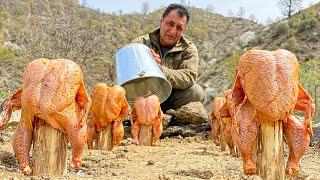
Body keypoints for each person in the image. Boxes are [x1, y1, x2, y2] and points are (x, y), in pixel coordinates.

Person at [132, 3, 204, 112]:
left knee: (196, 92)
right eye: (170, 24)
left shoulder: (189, 49)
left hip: (170, 100)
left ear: (184, 30)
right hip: (142, 97)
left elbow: (189, 76)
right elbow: (117, 70)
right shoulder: (140, 43)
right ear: (161, 21)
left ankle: (172, 120)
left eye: (179, 28)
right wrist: (144, 65)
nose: (173, 31)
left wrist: (159, 70)